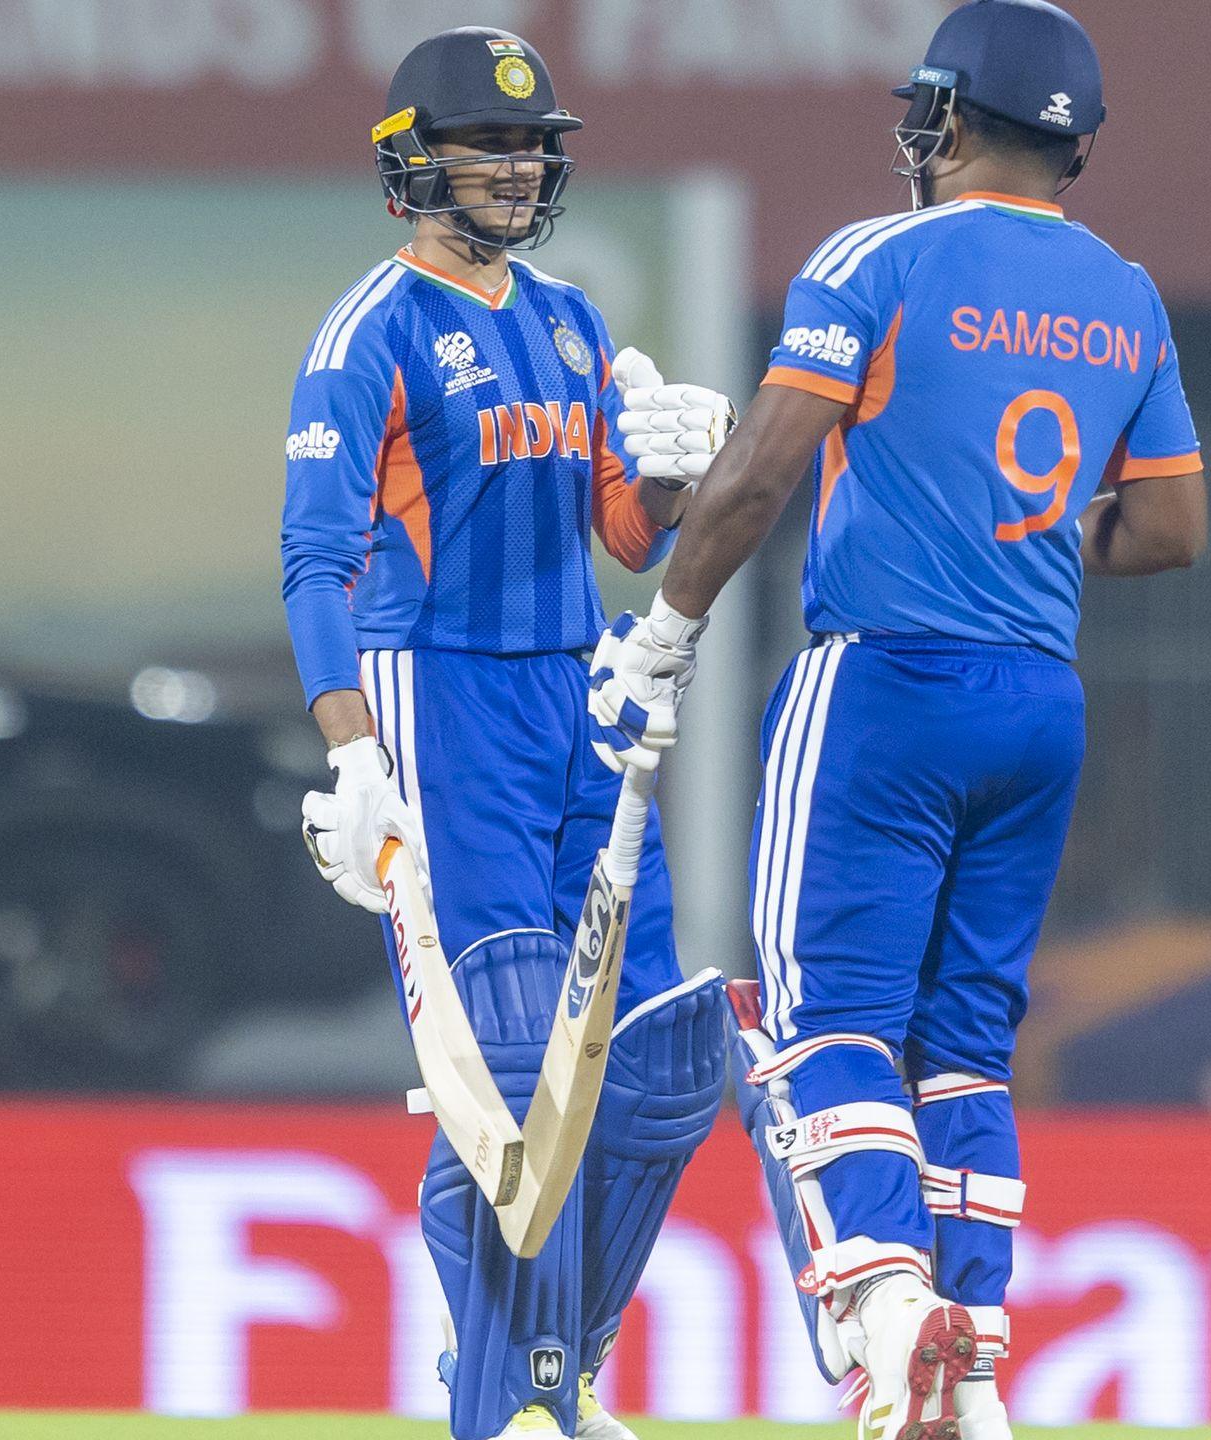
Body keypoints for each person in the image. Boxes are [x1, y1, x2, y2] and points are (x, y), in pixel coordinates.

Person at [585, 3, 1205, 1435]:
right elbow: (1173, 529)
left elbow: (760, 474)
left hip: (884, 684)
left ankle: (884, 1302)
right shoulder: (1127, 295)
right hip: (1038, 699)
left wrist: (666, 632)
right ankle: (971, 1370)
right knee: (967, 1047)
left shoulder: (879, 257)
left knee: (825, 1022)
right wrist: (1023, 534)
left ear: (956, 116)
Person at [279, 27, 736, 1440]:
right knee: (521, 1075)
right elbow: (313, 562)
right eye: (493, 145)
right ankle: (524, 1400)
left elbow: (622, 533)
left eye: (538, 147)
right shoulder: (369, 335)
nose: (524, 168)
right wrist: (353, 753)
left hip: (577, 698)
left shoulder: (570, 320)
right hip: (442, 700)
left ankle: (546, 1364)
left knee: (664, 1063)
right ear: (416, 164)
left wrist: (669, 478)